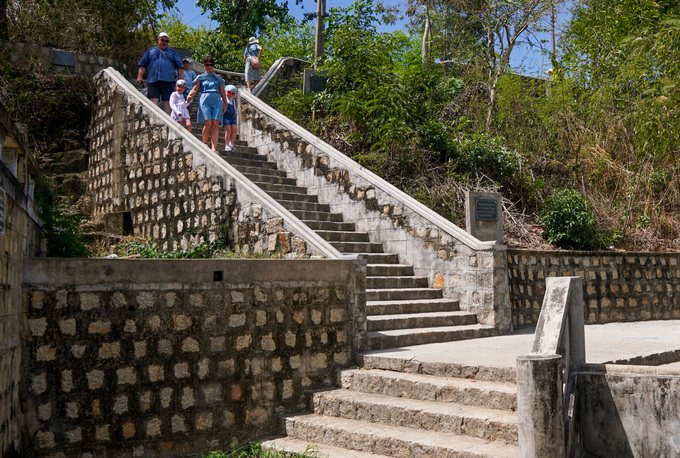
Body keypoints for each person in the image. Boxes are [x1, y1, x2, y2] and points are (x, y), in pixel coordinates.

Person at [137, 32, 184, 115]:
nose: (164, 42)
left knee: (168, 101)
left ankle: (168, 122)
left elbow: (179, 66)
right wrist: (139, 76)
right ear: (158, 40)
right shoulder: (150, 51)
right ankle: (153, 120)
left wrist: (182, 79)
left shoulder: (172, 52)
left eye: (167, 41)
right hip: (153, 80)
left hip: (168, 80)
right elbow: (142, 64)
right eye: (162, 40)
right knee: (153, 100)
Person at [186, 56, 227, 151]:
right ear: (204, 65)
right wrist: (189, 95)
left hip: (216, 99)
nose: (209, 67)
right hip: (205, 99)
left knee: (216, 123)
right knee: (208, 122)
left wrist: (225, 103)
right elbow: (195, 89)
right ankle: (204, 142)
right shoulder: (200, 77)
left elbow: (222, 91)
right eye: (207, 65)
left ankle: (214, 148)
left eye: (211, 65)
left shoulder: (217, 77)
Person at [223, 85, 238, 151]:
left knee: (235, 130)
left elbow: (235, 108)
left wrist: (235, 111)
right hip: (226, 116)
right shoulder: (223, 99)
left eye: (232, 93)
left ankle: (231, 143)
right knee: (228, 130)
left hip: (232, 117)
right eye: (229, 92)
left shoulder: (233, 101)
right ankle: (227, 144)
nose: (230, 94)